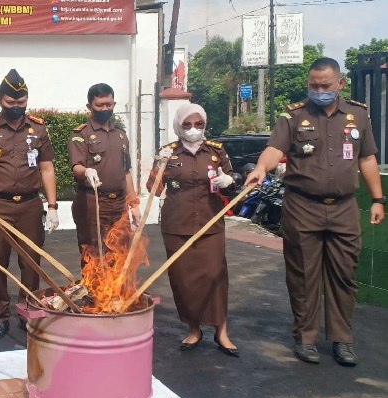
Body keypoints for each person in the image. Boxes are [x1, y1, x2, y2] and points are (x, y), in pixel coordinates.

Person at [246, 57, 384, 366]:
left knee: (344, 275)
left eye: (325, 86)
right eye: (313, 86)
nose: (319, 91)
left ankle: (342, 340)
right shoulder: (294, 115)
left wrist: (378, 199)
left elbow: (367, 158)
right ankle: (305, 339)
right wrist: (261, 168)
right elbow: (274, 149)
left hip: (344, 208)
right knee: (304, 276)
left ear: (340, 83)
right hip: (302, 207)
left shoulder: (358, 115)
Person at [0, 69, 59, 339]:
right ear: (0, 100)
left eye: (21, 101)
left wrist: (52, 206)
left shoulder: (38, 128)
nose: (16, 106)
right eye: (11, 102)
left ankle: (27, 311)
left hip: (30, 206)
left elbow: (47, 168)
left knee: (31, 263)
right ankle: (0, 316)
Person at [148, 103, 239, 357]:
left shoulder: (216, 150)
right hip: (177, 224)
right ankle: (193, 329)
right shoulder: (167, 152)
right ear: (179, 126)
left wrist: (228, 181)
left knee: (215, 276)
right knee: (184, 279)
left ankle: (221, 331)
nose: (193, 129)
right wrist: (158, 167)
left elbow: (232, 183)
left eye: (199, 124)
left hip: (210, 223)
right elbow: (153, 189)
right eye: (187, 124)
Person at [68, 83, 141, 267]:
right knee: (93, 253)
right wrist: (86, 171)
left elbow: (126, 172)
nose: (104, 109)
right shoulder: (81, 134)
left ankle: (117, 287)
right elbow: (76, 166)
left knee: (120, 251)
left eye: (108, 104)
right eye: (99, 105)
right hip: (93, 202)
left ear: (114, 104)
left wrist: (133, 204)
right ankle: (94, 287)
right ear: (89, 106)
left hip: (119, 203)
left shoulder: (121, 135)